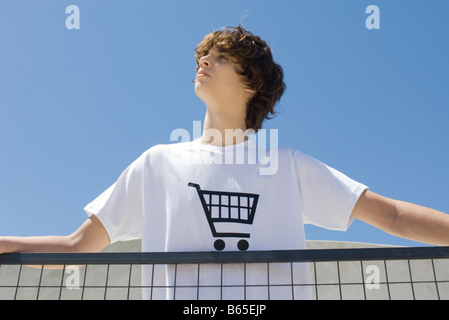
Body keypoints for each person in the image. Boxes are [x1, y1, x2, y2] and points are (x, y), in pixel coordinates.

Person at [1, 25, 449, 299]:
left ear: (252, 82)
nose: (203, 61)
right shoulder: (156, 163)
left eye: (219, 57)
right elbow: (79, 248)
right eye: (202, 56)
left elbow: (389, 214)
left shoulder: (288, 165)